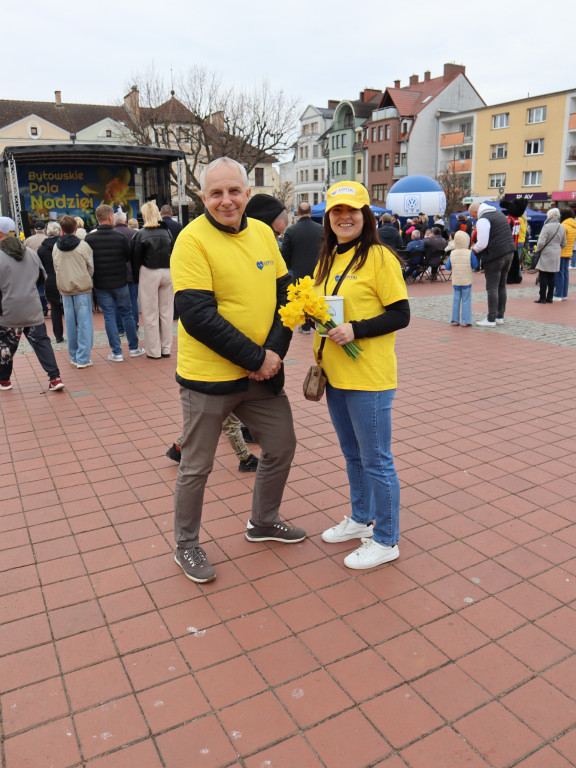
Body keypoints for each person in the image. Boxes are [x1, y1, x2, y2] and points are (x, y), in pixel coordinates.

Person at [170, 157, 305, 584]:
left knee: (281, 445)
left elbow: (287, 295)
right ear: (203, 198)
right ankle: (186, 545)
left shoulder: (264, 233)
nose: (226, 201)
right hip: (209, 378)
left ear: (248, 193)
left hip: (261, 374)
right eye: (216, 193)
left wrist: (275, 353)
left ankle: (263, 522)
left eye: (233, 191)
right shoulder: (191, 242)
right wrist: (258, 358)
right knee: (197, 466)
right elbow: (198, 316)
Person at [315, 181, 410, 570]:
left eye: (352, 210)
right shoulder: (329, 258)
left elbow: (400, 314)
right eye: (337, 211)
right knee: (352, 453)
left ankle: (386, 539)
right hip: (336, 374)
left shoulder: (379, 257)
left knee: (377, 460)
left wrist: (357, 329)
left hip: (368, 376)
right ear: (328, 219)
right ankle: (360, 519)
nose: (345, 217)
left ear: (366, 215)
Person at [0, 217, 64, 392]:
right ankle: (55, 377)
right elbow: (41, 278)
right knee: (42, 342)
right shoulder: (30, 252)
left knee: (6, 345)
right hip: (32, 305)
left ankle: (4, 380)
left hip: (7, 309)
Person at [86, 204, 145, 361]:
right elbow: (127, 257)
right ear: (111, 217)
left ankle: (117, 352)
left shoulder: (90, 239)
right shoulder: (120, 238)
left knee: (109, 316)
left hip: (101, 283)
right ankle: (133, 348)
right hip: (121, 281)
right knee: (127, 314)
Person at [130, 201, 174, 359]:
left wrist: (137, 277)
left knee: (150, 313)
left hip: (149, 272)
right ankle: (166, 348)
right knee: (167, 312)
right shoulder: (167, 232)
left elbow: (135, 259)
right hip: (168, 272)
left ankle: (154, 351)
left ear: (144, 215)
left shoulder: (140, 234)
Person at [52, 215, 95, 368]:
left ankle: (74, 355)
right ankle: (83, 358)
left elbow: (56, 267)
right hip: (82, 287)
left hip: (64, 288)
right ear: (76, 228)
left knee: (70, 323)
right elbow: (91, 268)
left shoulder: (56, 247)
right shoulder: (84, 246)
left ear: (61, 230)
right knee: (84, 323)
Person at [468, 201, 516, 327]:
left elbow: (482, 243)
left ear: (475, 211)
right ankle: (500, 316)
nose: (474, 219)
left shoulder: (483, 219)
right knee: (501, 286)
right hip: (509, 252)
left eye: (473, 216)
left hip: (495, 256)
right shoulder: (498, 214)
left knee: (492, 288)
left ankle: (491, 319)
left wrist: (473, 250)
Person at [280, 201, 324, 334]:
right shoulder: (321, 229)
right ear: (311, 212)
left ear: (298, 213)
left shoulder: (291, 231)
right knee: (317, 297)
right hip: (318, 270)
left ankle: (305, 325)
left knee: (301, 299)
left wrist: (290, 267)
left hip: (299, 271)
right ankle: (319, 321)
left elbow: (285, 254)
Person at [166, 412, 259, 472]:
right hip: (223, 386)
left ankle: (177, 448)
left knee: (205, 421)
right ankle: (246, 459)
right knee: (230, 424)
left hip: (205, 387)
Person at [38, 222, 65, 343]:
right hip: (65, 277)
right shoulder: (64, 245)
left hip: (50, 280)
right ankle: (74, 332)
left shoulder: (42, 248)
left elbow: (40, 267)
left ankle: (58, 336)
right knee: (70, 306)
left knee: (54, 308)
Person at [113, 210, 139, 334]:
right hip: (132, 273)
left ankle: (120, 328)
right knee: (133, 301)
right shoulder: (134, 234)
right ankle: (134, 326)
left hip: (117, 275)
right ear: (125, 221)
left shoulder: (111, 234)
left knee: (118, 302)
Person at [534, 208, 566, 304]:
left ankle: (542, 298)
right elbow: (564, 243)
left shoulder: (546, 227)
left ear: (550, 216)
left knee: (543, 275)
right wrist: (557, 248)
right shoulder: (562, 227)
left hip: (546, 252)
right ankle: (550, 298)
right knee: (552, 276)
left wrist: (537, 250)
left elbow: (541, 242)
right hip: (556, 253)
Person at [445, 231, 478, 326]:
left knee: (455, 300)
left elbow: (447, 267)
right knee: (466, 300)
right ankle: (465, 320)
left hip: (456, 280)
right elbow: (475, 265)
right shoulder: (469, 253)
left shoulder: (453, 253)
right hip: (466, 280)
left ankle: (454, 320)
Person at [554, 209, 576, 300]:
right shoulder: (573, 225)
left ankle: (558, 294)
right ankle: (564, 293)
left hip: (561, 251)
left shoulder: (563, 226)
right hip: (568, 251)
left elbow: (559, 239)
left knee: (559, 273)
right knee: (565, 273)